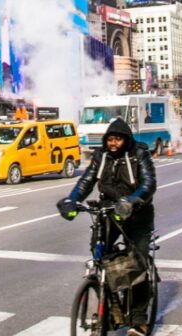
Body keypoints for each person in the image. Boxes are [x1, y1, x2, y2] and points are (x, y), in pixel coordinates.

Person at [58, 119, 157, 336]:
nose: (113, 144)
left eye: (118, 139)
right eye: (110, 139)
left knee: (136, 264)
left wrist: (131, 200)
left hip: (137, 214)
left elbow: (149, 184)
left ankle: (139, 319)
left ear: (126, 140)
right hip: (108, 213)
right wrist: (72, 200)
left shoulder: (139, 154)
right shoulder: (100, 156)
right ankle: (111, 308)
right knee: (99, 254)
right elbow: (86, 181)